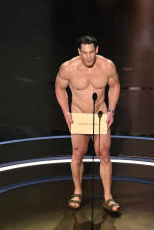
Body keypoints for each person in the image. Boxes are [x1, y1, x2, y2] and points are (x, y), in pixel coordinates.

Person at [55, 34, 122, 214]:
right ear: (79, 52)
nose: (88, 57)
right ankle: (77, 192)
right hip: (78, 113)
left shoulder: (107, 66)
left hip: (100, 113)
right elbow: (59, 88)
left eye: (91, 52)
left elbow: (115, 86)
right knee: (78, 153)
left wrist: (112, 111)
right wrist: (66, 112)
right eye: (84, 53)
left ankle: (108, 197)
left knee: (104, 153)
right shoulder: (68, 68)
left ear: (97, 50)